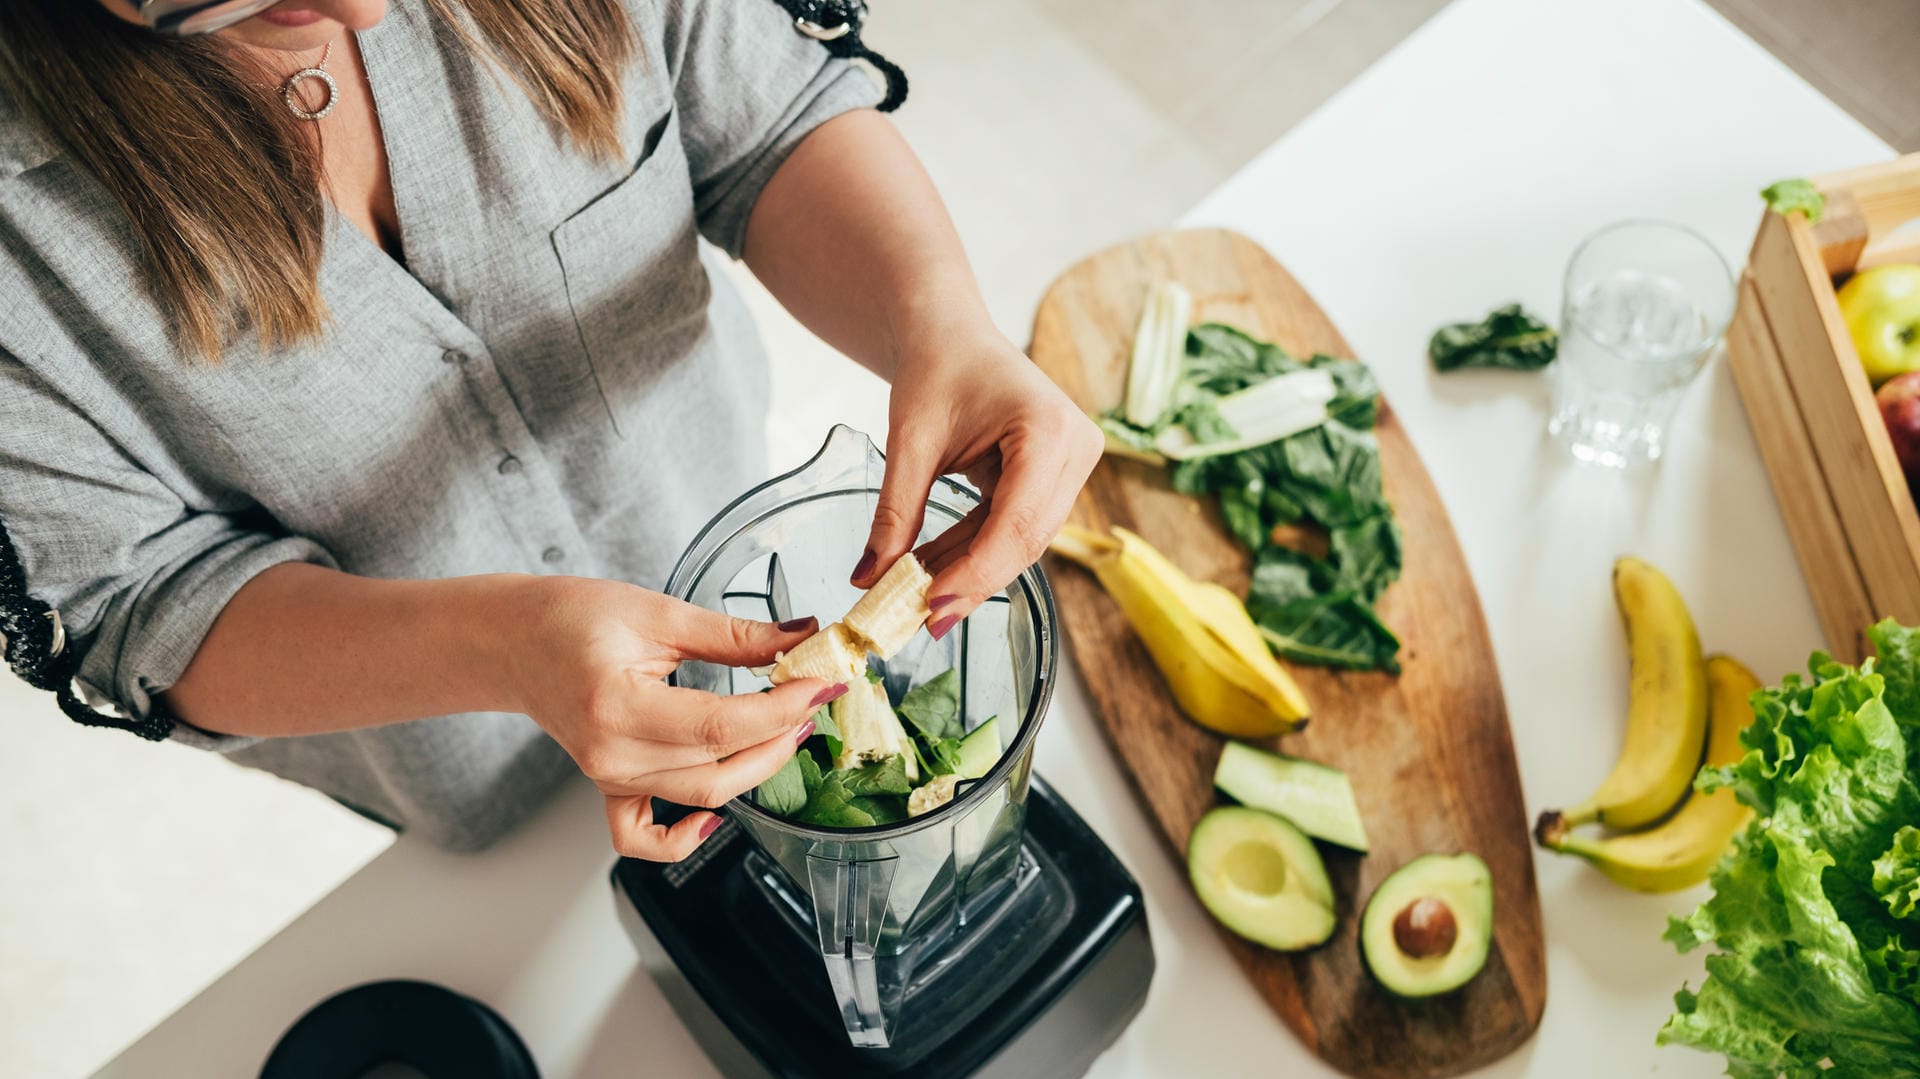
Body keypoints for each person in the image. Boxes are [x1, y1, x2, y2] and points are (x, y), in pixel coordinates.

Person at [0, 0, 1101, 859]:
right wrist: (504, 647)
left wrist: (939, 319)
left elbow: (765, 124)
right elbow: (137, 603)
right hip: (452, 761)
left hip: (702, 509)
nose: (366, 15)